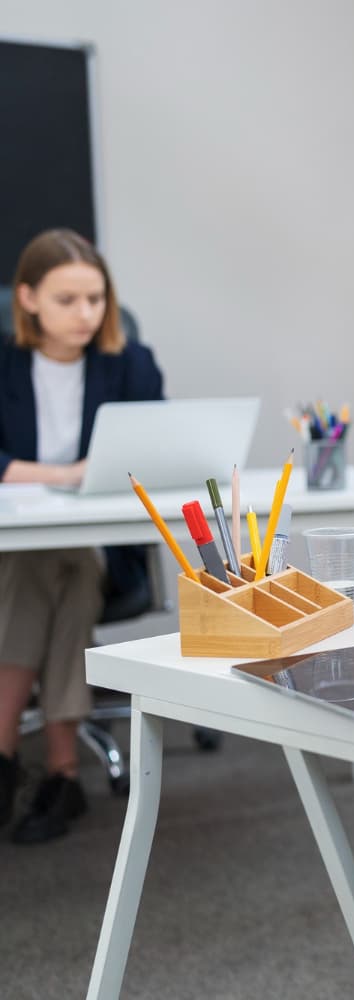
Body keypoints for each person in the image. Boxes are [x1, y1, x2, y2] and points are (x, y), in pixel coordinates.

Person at [0, 228, 164, 844]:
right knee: (45, 566)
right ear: (28, 299)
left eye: (96, 299)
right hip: (11, 548)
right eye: (67, 300)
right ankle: (63, 772)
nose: (86, 315)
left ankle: (6, 752)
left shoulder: (129, 364)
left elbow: (157, 448)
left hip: (99, 548)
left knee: (58, 563)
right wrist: (63, 475)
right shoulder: (3, 362)